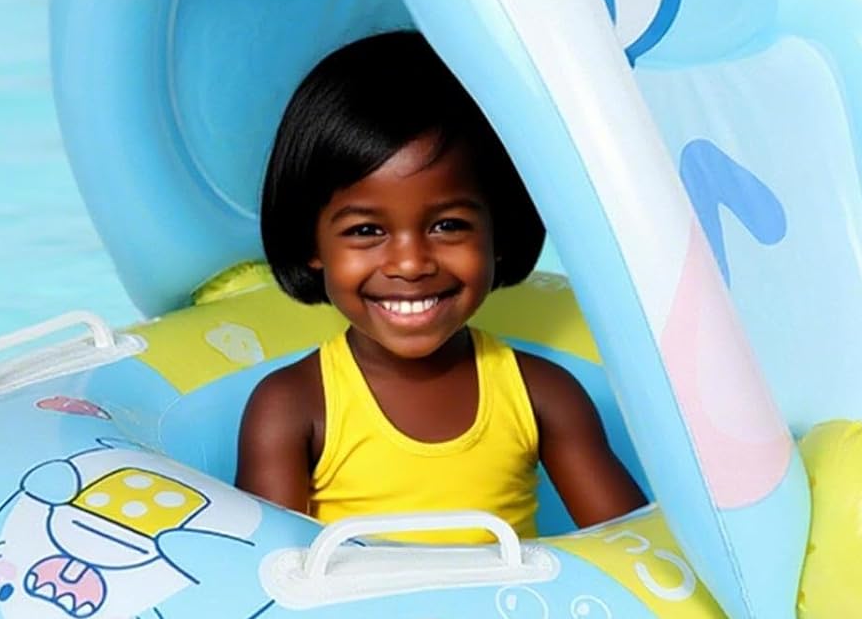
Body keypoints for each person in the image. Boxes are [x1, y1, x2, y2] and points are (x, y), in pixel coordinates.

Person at [236, 30, 646, 543]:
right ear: (311, 242)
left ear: (500, 231)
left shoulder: (544, 395)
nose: (410, 264)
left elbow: (633, 550)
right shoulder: (291, 406)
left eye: (448, 225)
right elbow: (266, 569)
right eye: (366, 231)